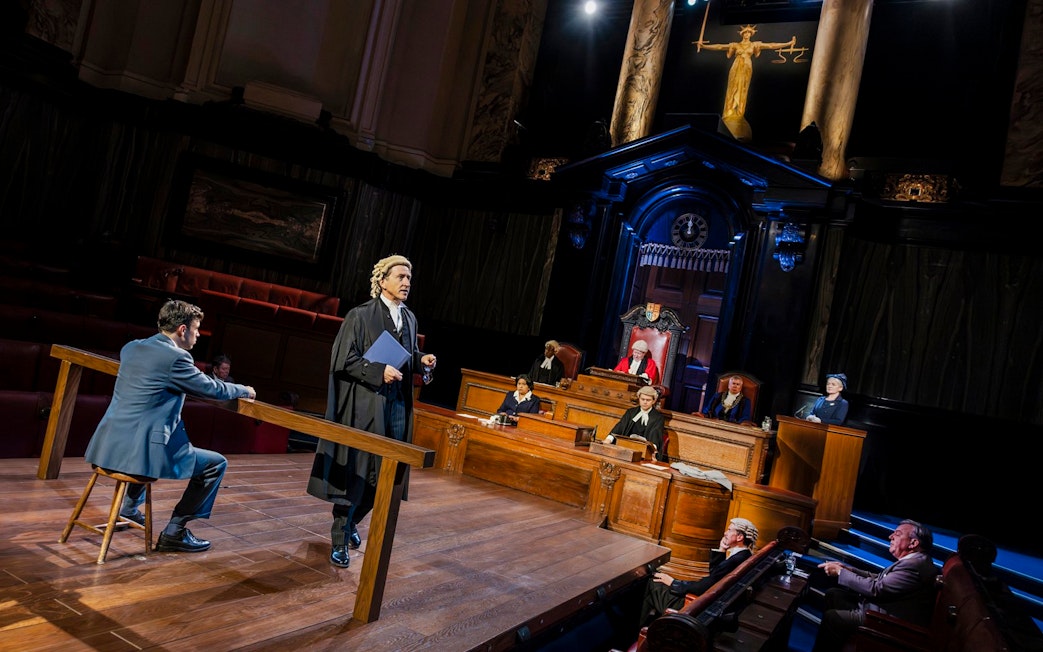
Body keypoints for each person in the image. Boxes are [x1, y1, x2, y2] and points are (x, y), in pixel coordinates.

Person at [83, 300, 256, 553]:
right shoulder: (176, 358)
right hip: (140, 452)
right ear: (182, 330)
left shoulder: (131, 348)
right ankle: (175, 531)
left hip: (107, 445)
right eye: (196, 329)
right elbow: (211, 388)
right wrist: (244, 389)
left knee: (149, 438)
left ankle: (130, 509)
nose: (198, 335)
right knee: (215, 463)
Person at [307, 254, 436, 569]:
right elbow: (344, 360)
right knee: (359, 474)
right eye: (400, 277)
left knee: (387, 477)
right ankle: (340, 536)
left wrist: (422, 361)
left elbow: (406, 354)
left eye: (409, 277)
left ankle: (352, 524)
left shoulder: (410, 318)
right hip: (366, 406)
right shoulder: (359, 316)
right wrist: (379, 371)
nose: (407, 283)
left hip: (397, 407)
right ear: (382, 280)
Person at [813, 519, 940, 652]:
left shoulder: (915, 566)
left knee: (832, 618)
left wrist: (840, 572)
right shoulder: (915, 560)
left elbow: (877, 588)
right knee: (834, 594)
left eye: (897, 534)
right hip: (879, 608)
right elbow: (880, 578)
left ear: (913, 543)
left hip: (886, 621)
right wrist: (848, 569)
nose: (890, 537)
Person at [641, 517, 759, 626]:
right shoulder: (744, 556)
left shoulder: (736, 560)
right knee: (657, 583)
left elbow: (704, 586)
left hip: (694, 607)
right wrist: (722, 549)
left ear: (739, 537)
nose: (725, 533)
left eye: (729, 530)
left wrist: (674, 582)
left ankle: (637, 632)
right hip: (706, 604)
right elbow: (716, 575)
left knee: (652, 583)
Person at [697, 25, 797, 141]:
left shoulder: (755, 45)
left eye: (749, 33)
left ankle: (738, 113)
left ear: (751, 35)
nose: (747, 35)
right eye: (745, 33)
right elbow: (720, 47)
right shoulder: (735, 45)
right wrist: (704, 46)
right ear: (742, 34)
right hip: (736, 67)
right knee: (732, 87)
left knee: (743, 89)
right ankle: (729, 111)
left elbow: (771, 45)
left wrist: (788, 43)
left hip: (747, 67)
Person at [604, 385, 666, 461]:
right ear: (639, 398)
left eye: (648, 400)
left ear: (654, 401)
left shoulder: (658, 418)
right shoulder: (631, 412)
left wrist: (652, 452)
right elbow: (620, 426)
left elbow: (655, 436)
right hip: (626, 449)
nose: (645, 402)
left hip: (644, 454)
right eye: (642, 399)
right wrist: (609, 439)